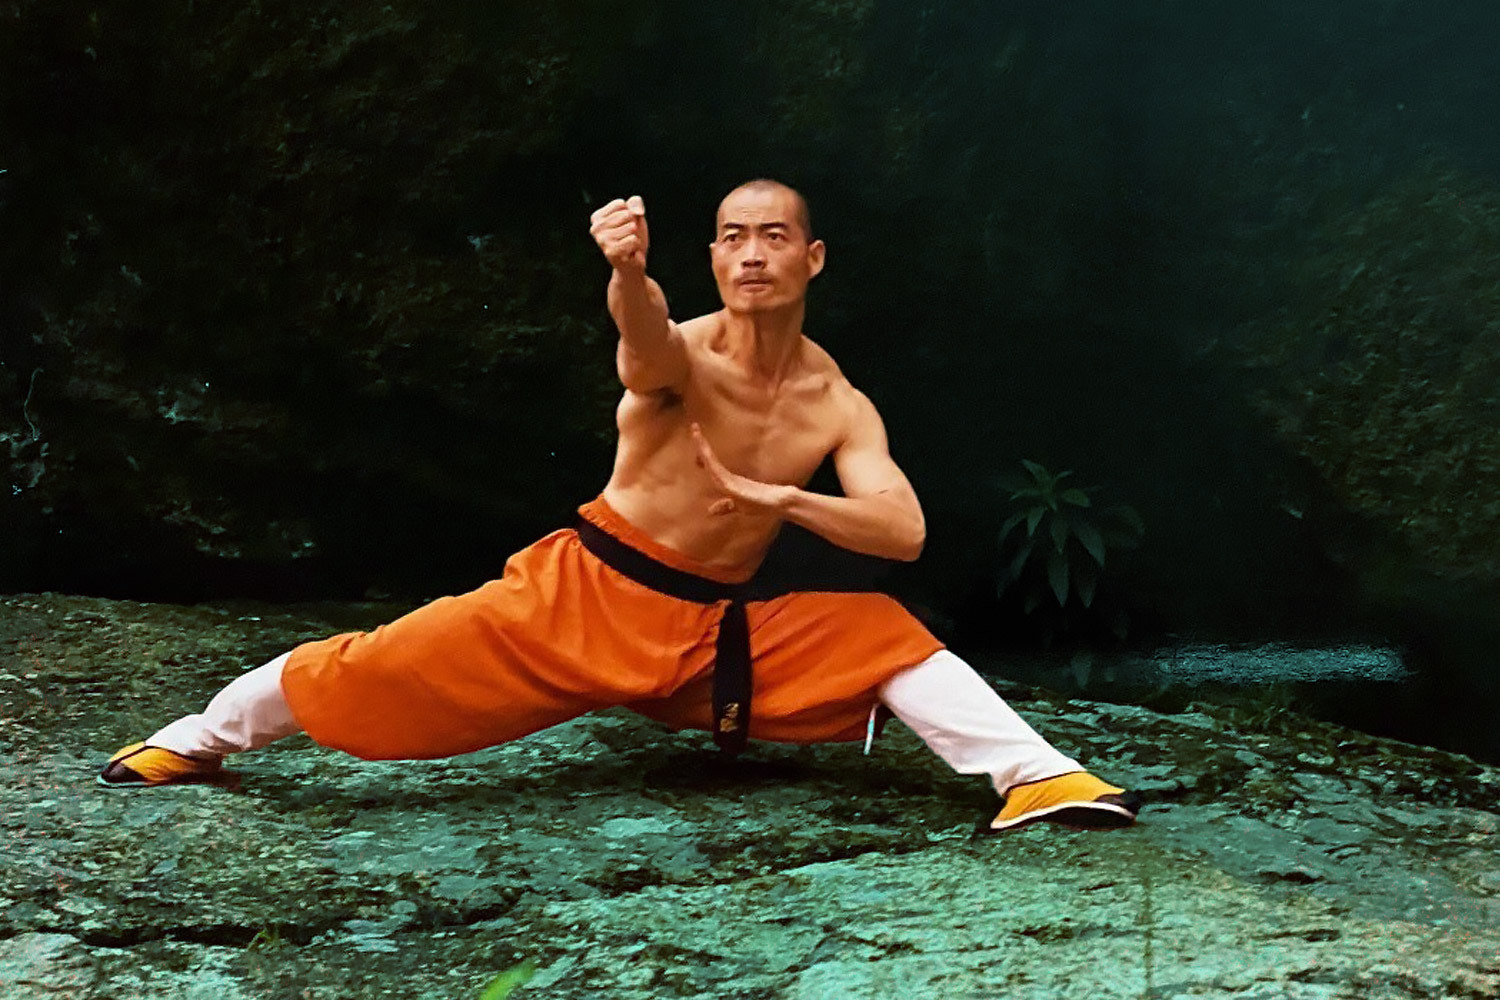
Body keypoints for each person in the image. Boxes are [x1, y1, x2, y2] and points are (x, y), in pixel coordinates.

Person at [100, 179, 1139, 833]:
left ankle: (1036, 778)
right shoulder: (676, 345)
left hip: (710, 636)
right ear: (712, 258)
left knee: (879, 629)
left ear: (811, 258)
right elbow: (641, 346)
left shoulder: (839, 400)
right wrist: (627, 270)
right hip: (578, 597)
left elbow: (901, 533)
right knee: (374, 667)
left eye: (774, 236)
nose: (752, 254)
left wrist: (778, 496)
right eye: (732, 237)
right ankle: (198, 736)